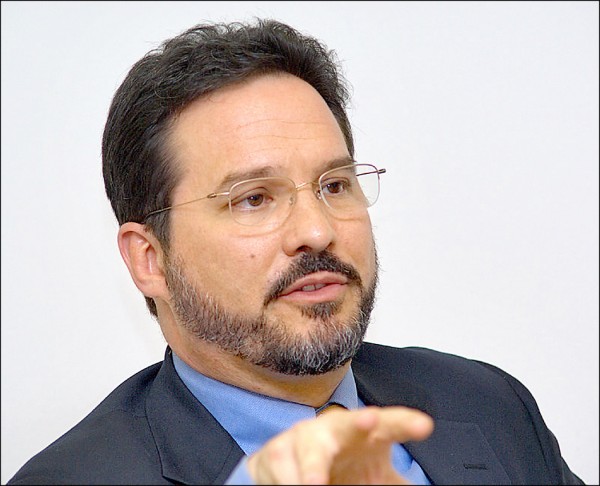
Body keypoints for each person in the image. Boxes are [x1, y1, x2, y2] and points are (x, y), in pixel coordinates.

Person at [8, 18, 583, 485]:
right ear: (149, 259)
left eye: (335, 185)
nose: (317, 229)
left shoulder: (487, 403)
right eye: (253, 198)